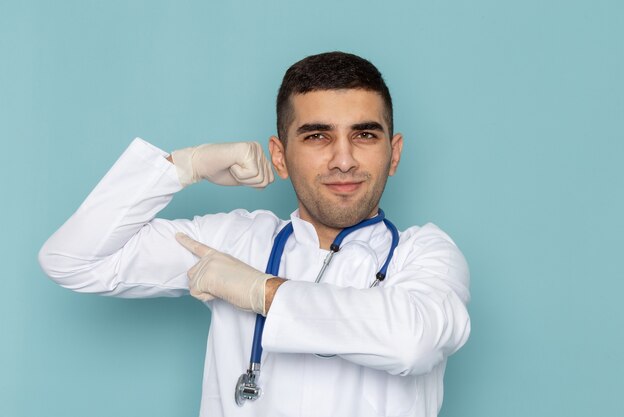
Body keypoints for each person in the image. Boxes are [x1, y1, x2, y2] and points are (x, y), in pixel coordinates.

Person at [39, 51, 470, 417]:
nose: (343, 160)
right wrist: (182, 167)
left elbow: (413, 342)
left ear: (393, 154)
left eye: (363, 135)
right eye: (317, 135)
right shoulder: (237, 241)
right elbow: (73, 260)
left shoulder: (426, 253)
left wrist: (258, 291)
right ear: (279, 157)